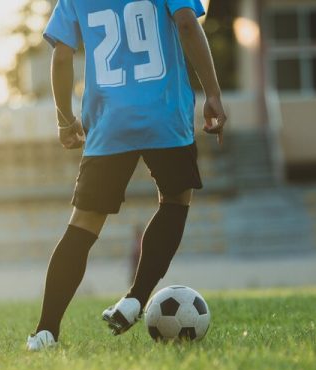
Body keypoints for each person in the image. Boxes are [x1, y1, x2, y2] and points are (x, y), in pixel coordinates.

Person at [27, 0, 226, 351]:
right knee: (176, 199)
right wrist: (212, 92)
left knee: (83, 224)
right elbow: (187, 24)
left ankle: (46, 332)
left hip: (108, 123)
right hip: (165, 114)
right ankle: (136, 297)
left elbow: (61, 57)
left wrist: (65, 120)